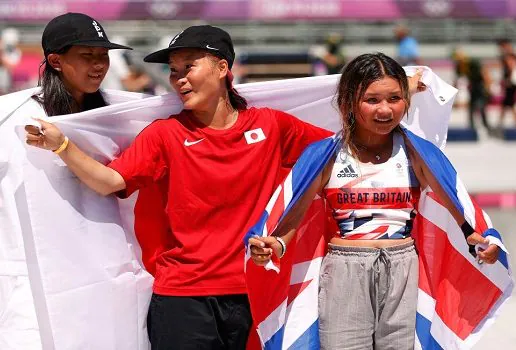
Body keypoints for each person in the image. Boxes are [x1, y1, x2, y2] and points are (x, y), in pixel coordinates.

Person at [25, 25, 333, 349]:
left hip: (256, 295)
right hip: (183, 300)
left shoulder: (271, 125)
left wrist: (287, 226)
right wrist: (63, 146)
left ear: (222, 67)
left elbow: (335, 157)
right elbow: (109, 182)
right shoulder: (165, 134)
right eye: (173, 71)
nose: (179, 79)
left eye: (189, 66)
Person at [248, 53, 500, 349]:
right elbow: (289, 220)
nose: (385, 110)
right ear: (349, 102)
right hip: (344, 274)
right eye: (372, 100)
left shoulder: (417, 153)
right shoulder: (326, 155)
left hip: (404, 271)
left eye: (395, 98)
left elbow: (459, 206)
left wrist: (482, 238)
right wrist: (273, 247)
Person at [0, 12, 131, 349]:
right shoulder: (12, 116)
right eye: (87, 56)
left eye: (103, 56)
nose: (99, 65)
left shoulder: (118, 116)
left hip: (106, 274)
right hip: (33, 277)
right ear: (56, 60)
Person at [452, 48, 492, 131]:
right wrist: (452, 92)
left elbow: (484, 74)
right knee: (472, 107)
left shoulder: (473, 63)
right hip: (472, 86)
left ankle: (485, 125)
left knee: (481, 106)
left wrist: (488, 87)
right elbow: (456, 79)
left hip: (481, 86)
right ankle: (472, 126)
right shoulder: (459, 66)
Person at [499, 52, 516, 128]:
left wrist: (507, 82)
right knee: (506, 106)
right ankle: (501, 123)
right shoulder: (508, 68)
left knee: (510, 105)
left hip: (513, 87)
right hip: (510, 88)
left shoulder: (515, 67)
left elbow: (515, 80)